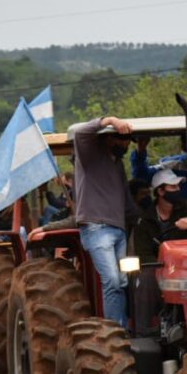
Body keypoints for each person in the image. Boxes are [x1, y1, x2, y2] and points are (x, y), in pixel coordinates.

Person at [72, 115, 139, 328]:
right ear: (107, 138)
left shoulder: (117, 165)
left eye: (128, 139)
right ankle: (115, 331)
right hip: (97, 227)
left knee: (124, 281)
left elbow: (125, 198)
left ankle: (128, 326)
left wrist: (145, 216)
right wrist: (110, 120)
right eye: (120, 138)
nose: (125, 143)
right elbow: (81, 133)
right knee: (111, 280)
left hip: (118, 229)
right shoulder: (90, 157)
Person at [132, 170, 187, 263]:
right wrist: (163, 266)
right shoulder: (144, 220)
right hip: (158, 269)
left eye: (178, 186)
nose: (178, 189)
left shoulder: (185, 207)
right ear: (161, 191)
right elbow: (144, 255)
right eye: (173, 186)